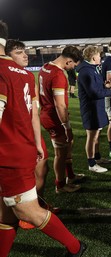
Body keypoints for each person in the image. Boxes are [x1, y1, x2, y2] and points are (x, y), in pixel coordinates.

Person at [0, 20, 86, 257]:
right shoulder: (25, 74)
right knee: (6, 215)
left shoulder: (7, 71)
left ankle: (75, 246)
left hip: (8, 155)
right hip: (22, 147)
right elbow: (33, 113)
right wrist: (37, 143)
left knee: (28, 211)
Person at [5, 39, 60, 225]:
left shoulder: (29, 76)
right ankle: (26, 211)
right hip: (13, 138)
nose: (25, 55)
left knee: (41, 169)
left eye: (24, 51)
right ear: (7, 56)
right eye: (19, 52)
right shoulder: (5, 75)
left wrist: (38, 142)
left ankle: (37, 205)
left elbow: (34, 113)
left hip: (30, 134)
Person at [38, 45, 85, 194]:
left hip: (47, 113)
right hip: (54, 118)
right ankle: (60, 185)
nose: (72, 68)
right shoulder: (58, 75)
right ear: (68, 61)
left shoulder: (45, 67)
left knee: (67, 146)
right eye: (73, 65)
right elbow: (60, 105)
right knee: (60, 153)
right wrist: (67, 127)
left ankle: (70, 176)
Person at [76, 45, 111, 173]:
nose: (100, 58)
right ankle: (91, 163)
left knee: (97, 134)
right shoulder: (86, 71)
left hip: (97, 107)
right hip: (91, 108)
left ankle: (97, 157)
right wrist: (109, 90)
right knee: (92, 136)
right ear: (93, 56)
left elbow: (96, 87)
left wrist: (105, 85)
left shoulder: (92, 68)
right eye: (99, 56)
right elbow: (93, 93)